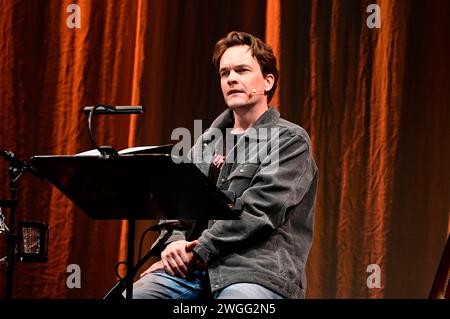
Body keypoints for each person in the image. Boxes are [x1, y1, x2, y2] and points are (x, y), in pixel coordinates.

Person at [128, 31, 318, 299]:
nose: (231, 79)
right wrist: (174, 244)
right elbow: (177, 208)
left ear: (267, 81)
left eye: (242, 70)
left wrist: (198, 250)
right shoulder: (205, 142)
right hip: (191, 272)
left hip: (254, 271)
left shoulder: (289, 140)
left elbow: (258, 212)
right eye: (224, 73)